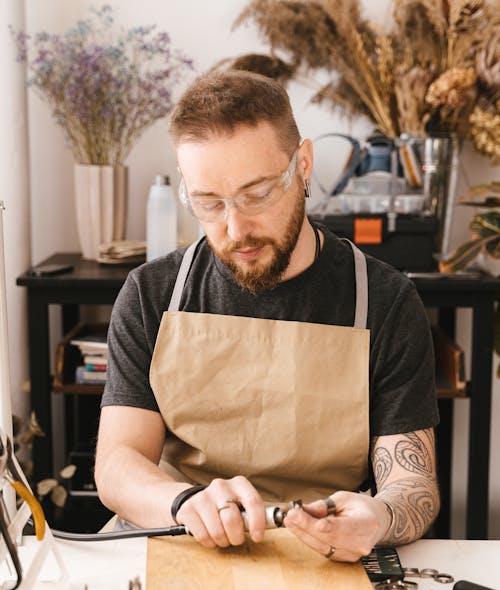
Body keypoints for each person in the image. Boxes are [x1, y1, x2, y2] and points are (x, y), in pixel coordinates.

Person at [95, 70, 440, 562]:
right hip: (177, 535)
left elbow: (413, 486)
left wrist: (380, 517)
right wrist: (185, 505)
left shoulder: (384, 300)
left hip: (325, 555)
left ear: (303, 165)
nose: (236, 228)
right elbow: (117, 464)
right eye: (209, 203)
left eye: (258, 194)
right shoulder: (152, 294)